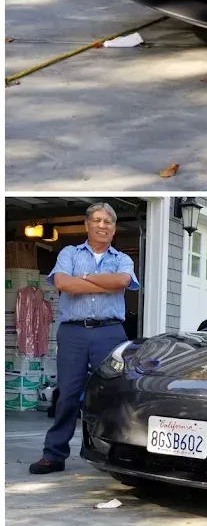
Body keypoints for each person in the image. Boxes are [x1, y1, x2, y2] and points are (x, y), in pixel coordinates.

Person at [29, 203, 140, 475]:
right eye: (97, 220)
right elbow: (63, 284)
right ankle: (54, 455)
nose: (102, 225)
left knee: (112, 395)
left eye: (108, 222)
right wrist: (103, 282)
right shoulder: (69, 253)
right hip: (73, 333)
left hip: (110, 332)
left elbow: (122, 282)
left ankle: (113, 453)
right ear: (88, 225)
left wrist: (86, 278)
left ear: (114, 230)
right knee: (67, 394)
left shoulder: (122, 259)